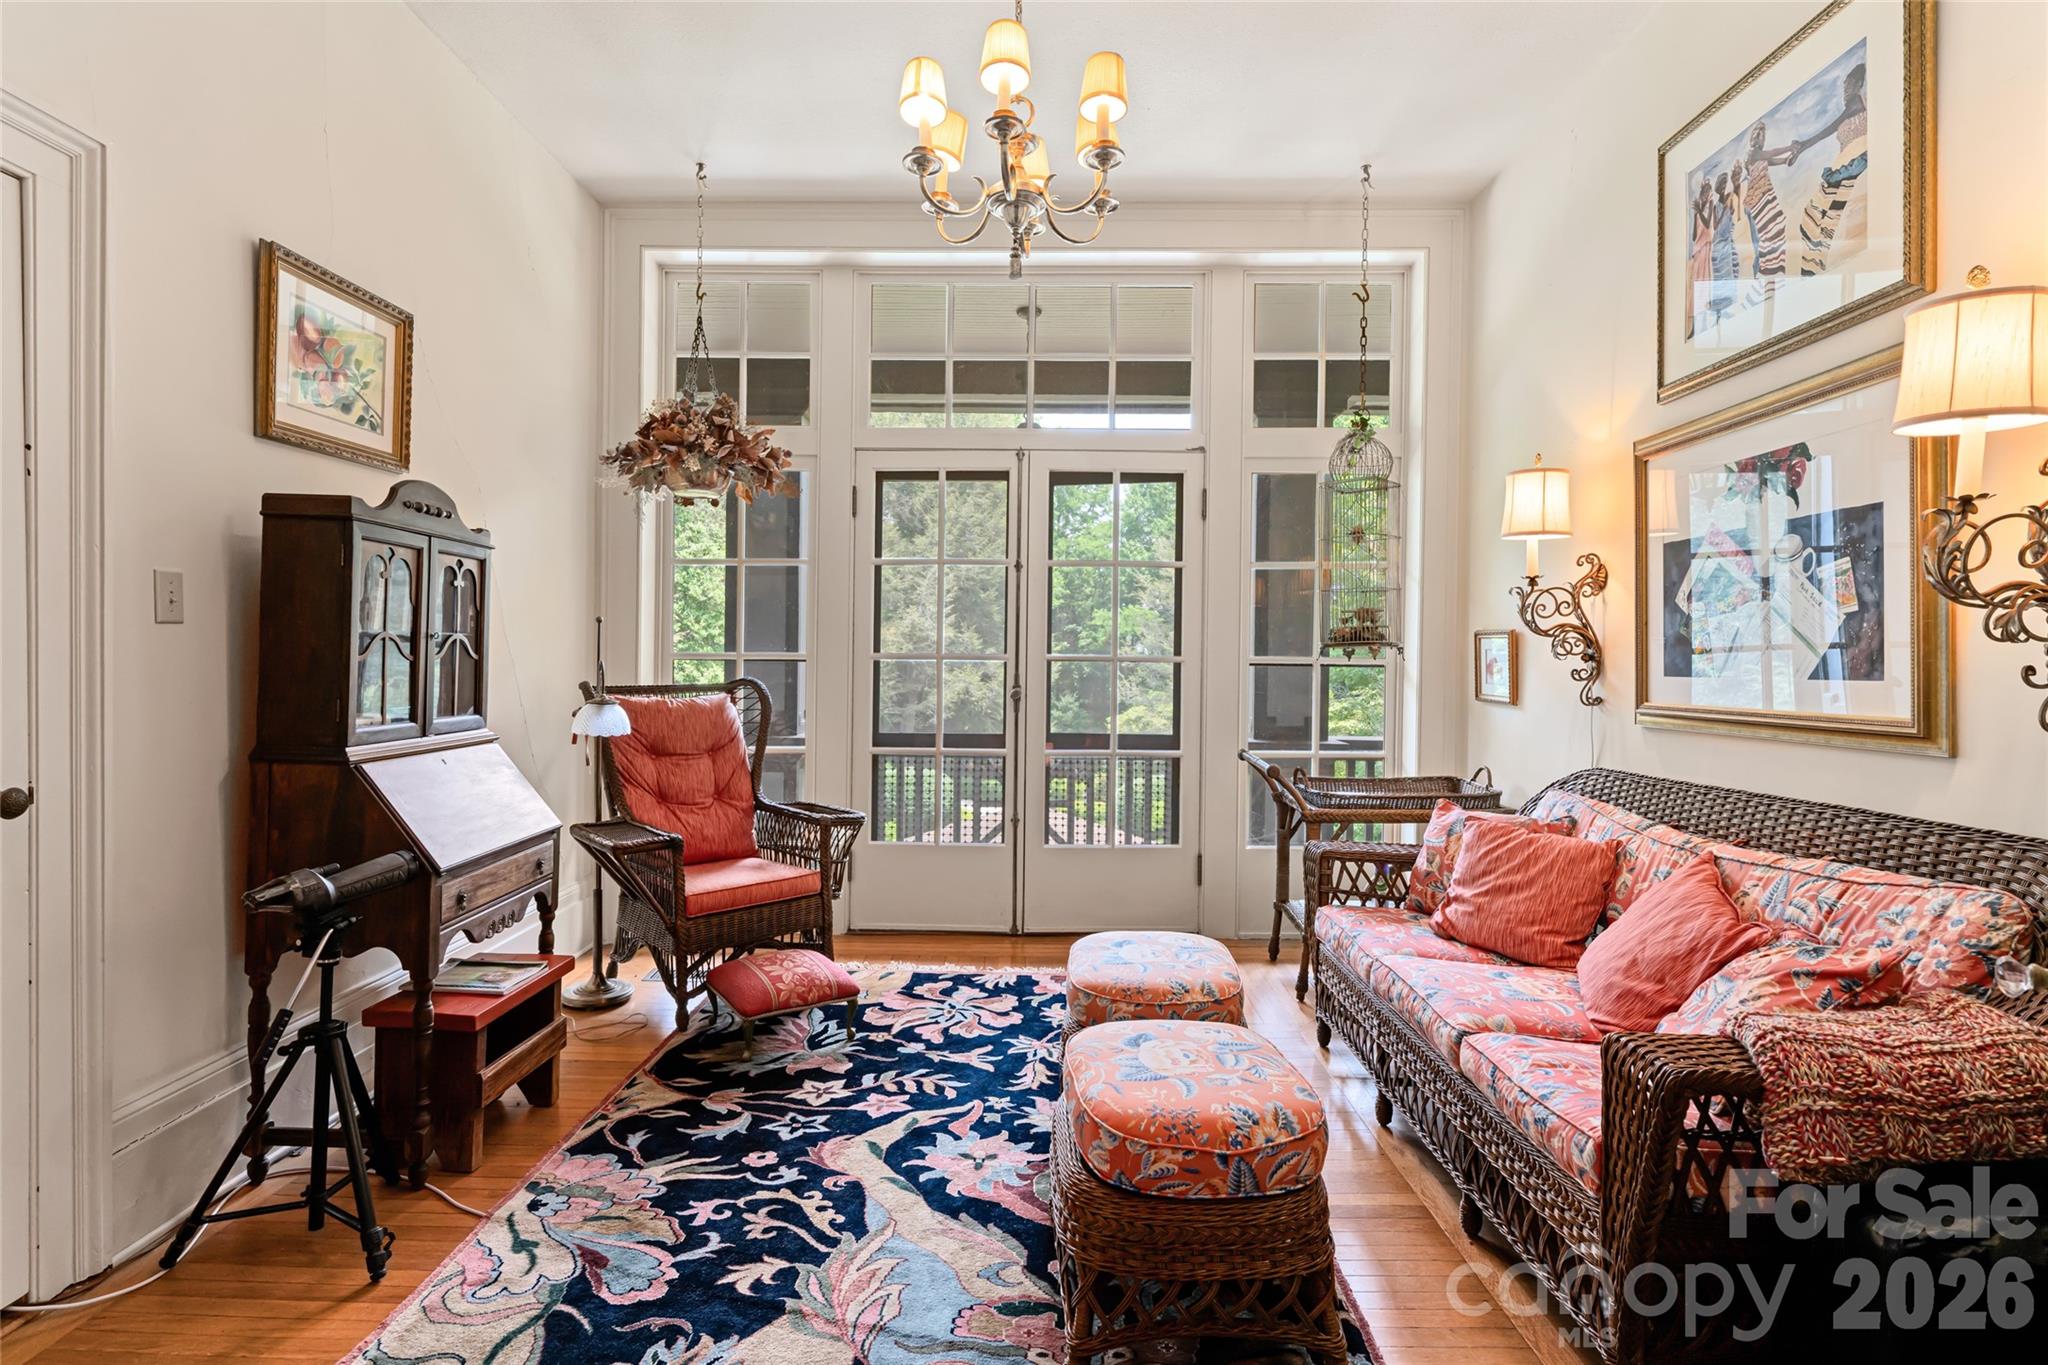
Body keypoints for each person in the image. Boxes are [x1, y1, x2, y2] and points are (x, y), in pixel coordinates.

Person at [1791, 62, 1870, 275]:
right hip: (1842, 164)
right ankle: (1814, 263)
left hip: (1852, 163)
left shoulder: (1855, 102)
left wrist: (1804, 145)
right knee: (1812, 214)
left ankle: (1816, 264)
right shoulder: (1855, 105)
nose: (1845, 90)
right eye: (1845, 86)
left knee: (1820, 214)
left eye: (1849, 85)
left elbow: (1830, 128)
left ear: (1859, 84)